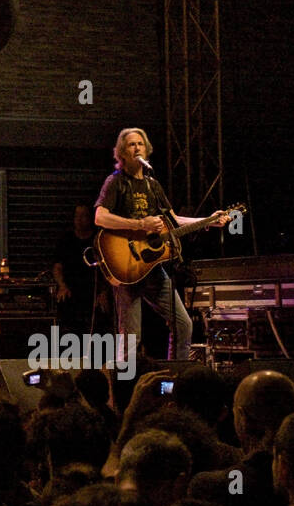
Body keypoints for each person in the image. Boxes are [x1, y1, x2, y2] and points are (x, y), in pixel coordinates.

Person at [93, 128, 226, 360]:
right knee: (131, 337)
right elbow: (100, 217)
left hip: (153, 269)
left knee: (184, 324)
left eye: (140, 144)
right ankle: (124, 387)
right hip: (127, 267)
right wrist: (139, 225)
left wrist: (208, 221)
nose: (136, 148)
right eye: (131, 145)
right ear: (122, 152)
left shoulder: (153, 185)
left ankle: (175, 376)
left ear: (147, 150)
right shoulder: (115, 182)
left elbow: (173, 220)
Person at [52, 204, 111, 334]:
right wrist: (62, 285)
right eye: (77, 216)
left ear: (90, 218)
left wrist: (104, 292)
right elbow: (57, 267)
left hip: (94, 292)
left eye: (83, 216)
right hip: (71, 292)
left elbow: (109, 269)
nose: (79, 219)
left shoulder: (99, 240)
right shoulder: (66, 240)